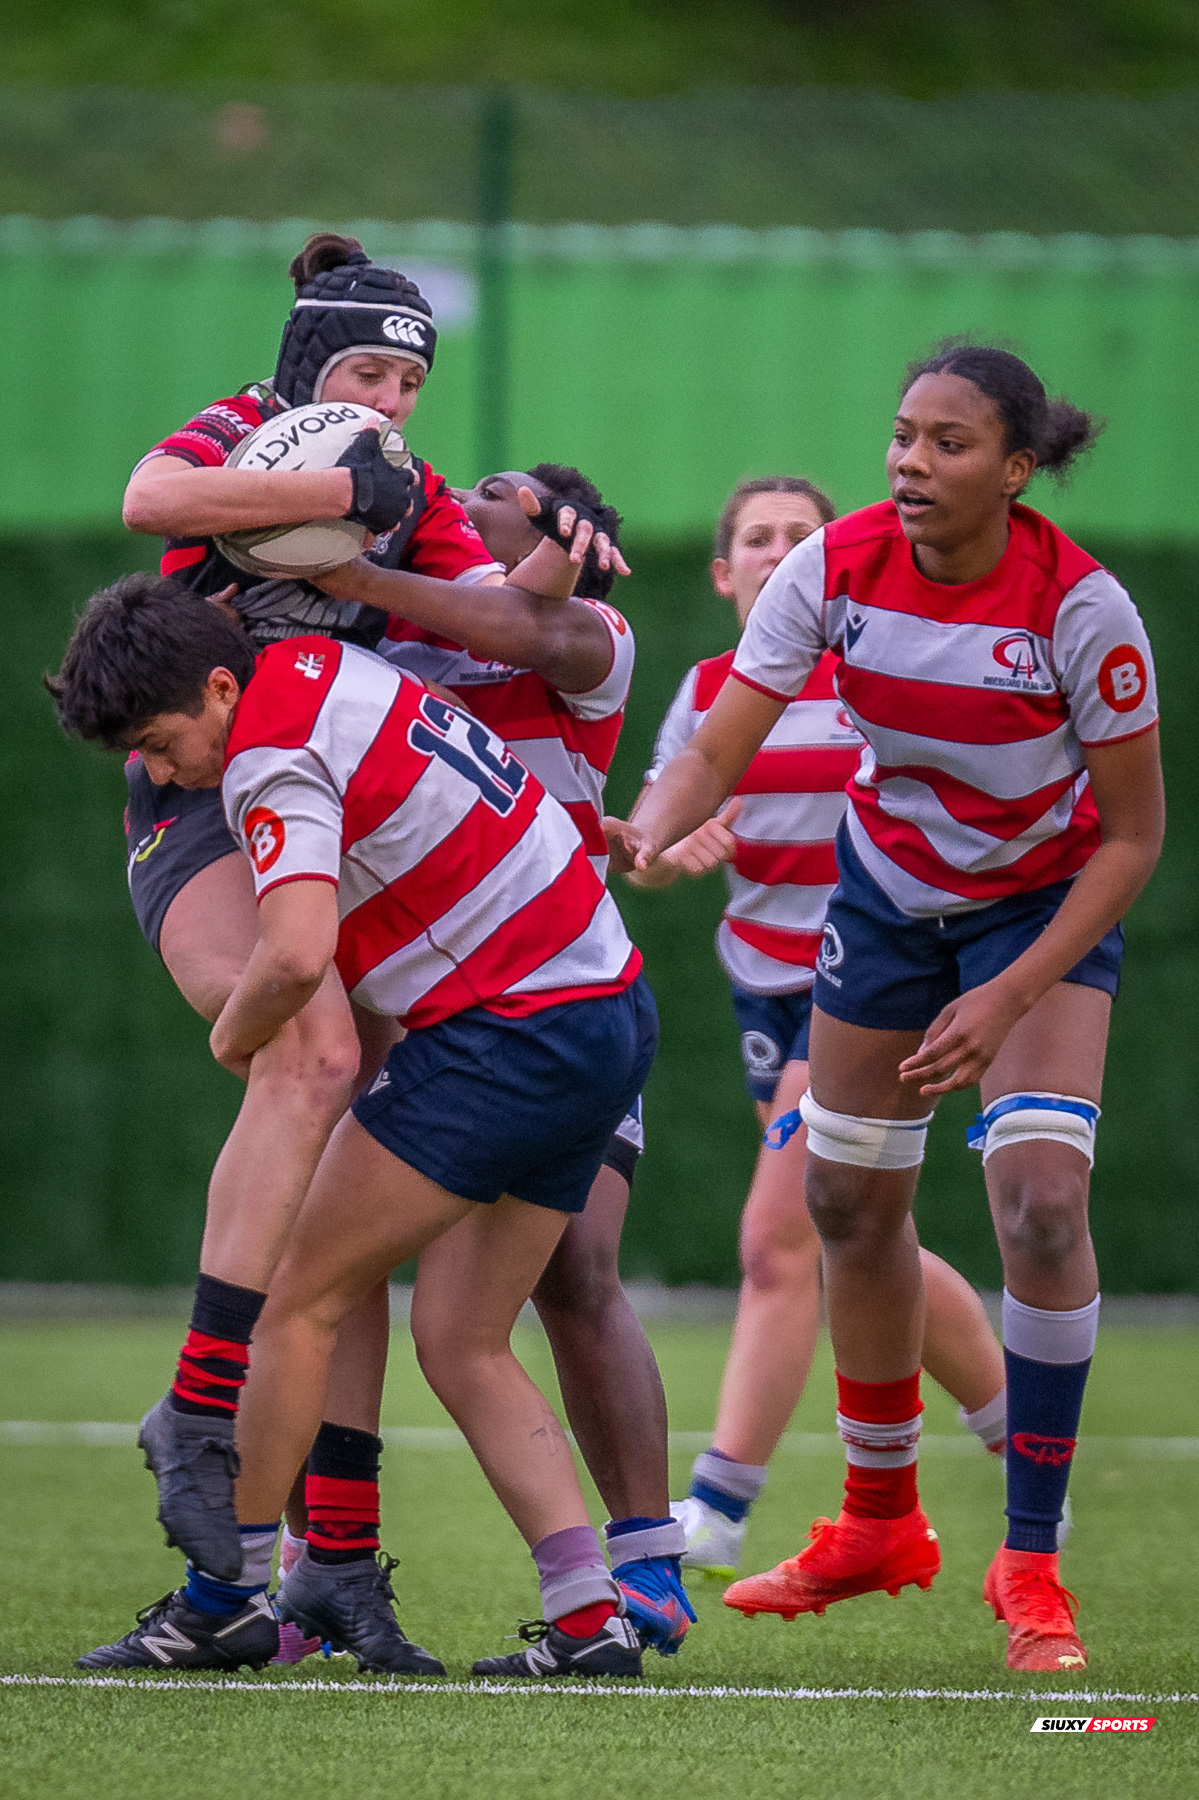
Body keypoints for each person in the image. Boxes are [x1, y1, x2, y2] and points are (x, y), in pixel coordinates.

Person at [611, 343, 1164, 1672]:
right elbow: (717, 747)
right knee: (844, 1204)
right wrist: (638, 834)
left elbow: (1132, 841)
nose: (907, 462)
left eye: (946, 443)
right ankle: (875, 1524)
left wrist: (1010, 994)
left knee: (1037, 1208)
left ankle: (1029, 1560)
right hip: (885, 906)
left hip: (1037, 915)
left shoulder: (1080, 612)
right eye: (900, 436)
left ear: (1015, 471)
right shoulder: (831, 568)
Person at [114, 231, 613, 1584]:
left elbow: (502, 619)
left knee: (345, 1195)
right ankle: (200, 1404)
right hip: (209, 797)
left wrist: (567, 548)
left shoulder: (415, 490)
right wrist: (344, 481)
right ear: (302, 369)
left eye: (406, 380)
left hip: (327, 801)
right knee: (308, 1052)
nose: (390, 400)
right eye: (363, 369)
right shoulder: (248, 431)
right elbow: (148, 501)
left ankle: (333, 1560)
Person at [50, 580, 657, 1678]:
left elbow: (289, 955)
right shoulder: (333, 672)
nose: (169, 773)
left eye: (162, 743)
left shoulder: (266, 752)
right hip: (606, 1007)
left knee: (293, 1300)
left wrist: (232, 1035)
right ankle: (585, 1619)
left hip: (511, 1031)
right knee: (463, 1339)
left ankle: (219, 1600)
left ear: (219, 686)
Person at [270, 467, 694, 1663]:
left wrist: (341, 568)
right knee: (346, 1280)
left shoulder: (583, 632)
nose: (465, 501)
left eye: (496, 492)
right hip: (413, 1003)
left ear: (559, 526)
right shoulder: (393, 627)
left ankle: (641, 1563)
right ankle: (326, 1564)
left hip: (550, 996)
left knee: (574, 1272)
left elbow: (514, 622)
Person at [628, 476, 1007, 1577]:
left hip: (876, 986)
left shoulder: (879, 682)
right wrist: (662, 851)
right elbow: (656, 826)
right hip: (765, 992)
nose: (780, 549)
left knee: (776, 1239)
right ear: (724, 572)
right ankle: (1023, 1434)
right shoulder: (707, 695)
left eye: (803, 535)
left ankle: (717, 1506)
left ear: (829, 566)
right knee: (860, 1234)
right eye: (757, 536)